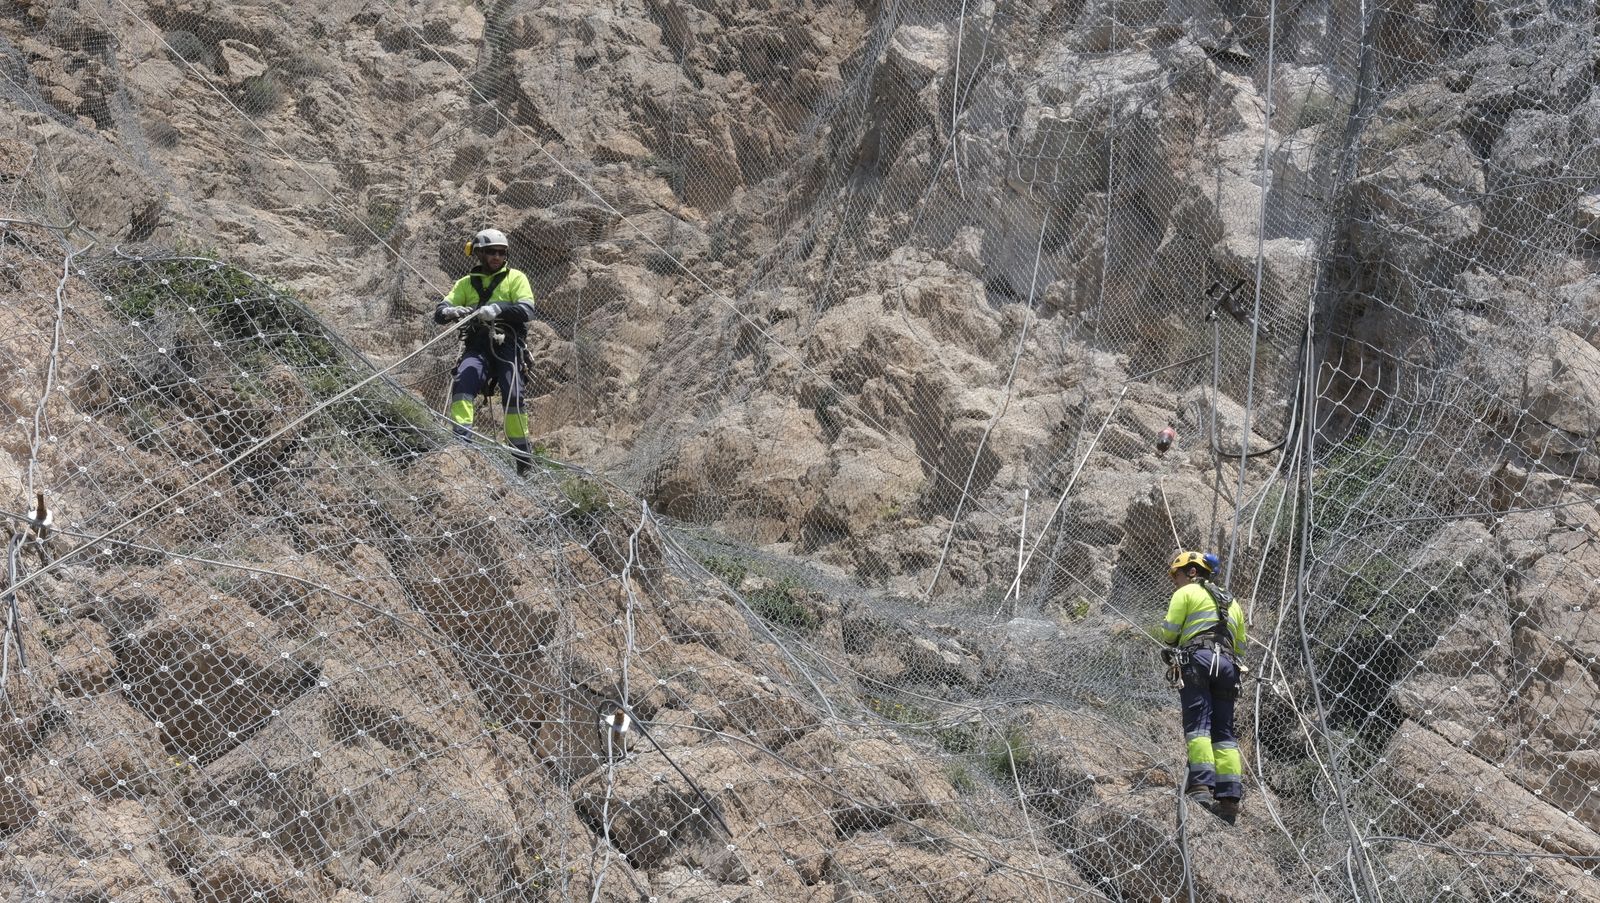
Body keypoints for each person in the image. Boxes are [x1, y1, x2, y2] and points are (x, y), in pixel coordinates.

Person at [434, 228, 538, 475]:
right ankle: (461, 445)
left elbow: (527, 309)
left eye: (501, 253)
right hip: (478, 345)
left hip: (508, 345)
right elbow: (441, 310)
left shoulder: (516, 278)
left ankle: (522, 460)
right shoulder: (466, 283)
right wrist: (448, 311)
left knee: (513, 396)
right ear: (479, 253)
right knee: (464, 383)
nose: (497, 257)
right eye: (491, 252)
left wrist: (499, 308)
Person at [1158, 550, 1247, 822]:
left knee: (1198, 726)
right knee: (1224, 732)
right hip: (1228, 666)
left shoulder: (1186, 594)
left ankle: (1200, 786)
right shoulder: (1233, 604)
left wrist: (1176, 643)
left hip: (1198, 659)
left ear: (1192, 572)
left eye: (1178, 576)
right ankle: (1230, 798)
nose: (1176, 582)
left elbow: (1169, 633)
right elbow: (1241, 644)